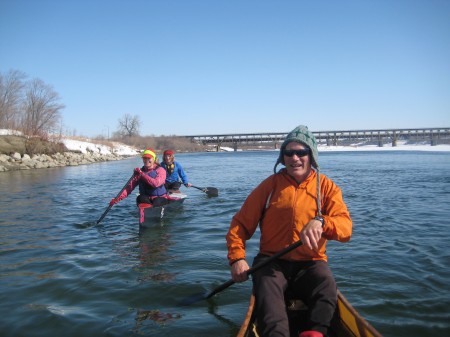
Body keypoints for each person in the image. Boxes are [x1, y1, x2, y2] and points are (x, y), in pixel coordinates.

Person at [226, 125, 352, 337]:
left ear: (311, 156)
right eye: (289, 152)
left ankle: (315, 333)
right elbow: (239, 225)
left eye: (301, 152)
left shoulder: (327, 188)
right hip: (272, 261)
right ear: (282, 157)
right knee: (269, 300)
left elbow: (345, 228)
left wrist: (322, 221)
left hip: (312, 262)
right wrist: (237, 258)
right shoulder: (269, 186)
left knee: (326, 287)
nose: (295, 158)